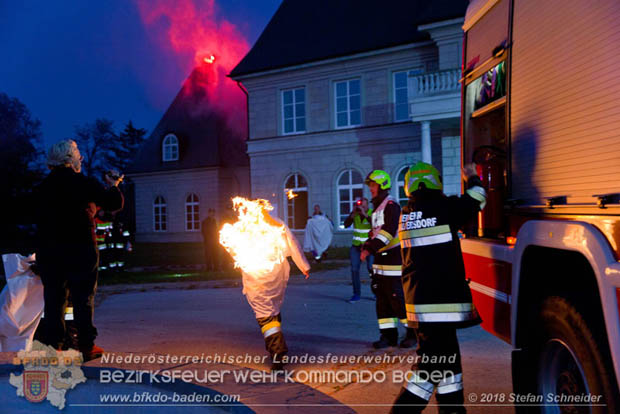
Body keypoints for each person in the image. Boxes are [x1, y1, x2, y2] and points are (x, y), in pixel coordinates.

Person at [390, 162, 486, 414]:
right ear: (436, 182)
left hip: (421, 304)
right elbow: (478, 198)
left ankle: (452, 409)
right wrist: (472, 176)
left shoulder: (406, 214)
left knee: (449, 361)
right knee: (432, 364)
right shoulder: (445, 208)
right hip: (441, 303)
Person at [34, 140, 123, 361]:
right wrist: (113, 185)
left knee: (54, 299)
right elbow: (113, 203)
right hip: (80, 249)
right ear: (70, 159)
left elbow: (28, 213)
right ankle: (85, 345)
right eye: (78, 155)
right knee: (83, 297)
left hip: (50, 251)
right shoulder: (82, 183)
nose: (80, 159)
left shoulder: (43, 187)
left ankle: (54, 347)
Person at [220, 199, 310, 372]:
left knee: (265, 316)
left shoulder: (244, 228)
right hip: (277, 275)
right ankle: (276, 347)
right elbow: (294, 244)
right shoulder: (278, 224)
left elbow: (234, 250)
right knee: (273, 311)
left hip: (258, 278)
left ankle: (278, 354)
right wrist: (304, 266)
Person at [361, 170, 415, 349]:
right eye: (370, 185)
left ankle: (412, 332)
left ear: (382, 185)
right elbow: (377, 231)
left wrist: (369, 248)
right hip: (380, 261)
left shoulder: (391, 205)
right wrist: (369, 241)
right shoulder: (378, 207)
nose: (370, 188)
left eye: (373, 185)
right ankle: (388, 336)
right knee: (382, 301)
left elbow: (388, 232)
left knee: (397, 300)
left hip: (393, 260)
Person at [343, 197, 373, 303]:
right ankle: (356, 294)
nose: (361, 208)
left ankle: (376, 293)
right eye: (360, 206)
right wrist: (352, 214)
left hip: (370, 247)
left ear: (367, 206)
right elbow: (346, 225)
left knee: (372, 269)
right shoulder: (354, 214)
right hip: (356, 246)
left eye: (363, 206)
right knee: (354, 270)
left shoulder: (371, 213)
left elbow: (375, 224)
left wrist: (365, 214)